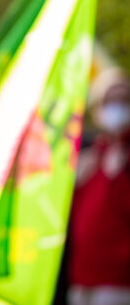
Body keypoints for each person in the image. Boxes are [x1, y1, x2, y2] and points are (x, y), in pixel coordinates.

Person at [67, 68, 130, 305]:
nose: (117, 107)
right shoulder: (90, 155)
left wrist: (117, 180)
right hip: (82, 275)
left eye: (124, 100)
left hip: (118, 280)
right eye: (110, 100)